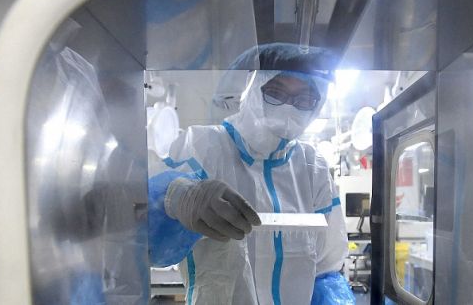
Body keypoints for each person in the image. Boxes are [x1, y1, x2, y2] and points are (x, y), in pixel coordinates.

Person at [148, 43, 354, 305]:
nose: (288, 107)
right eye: (276, 92)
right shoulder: (203, 145)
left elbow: (327, 270)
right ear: (254, 88)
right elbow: (150, 243)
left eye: (304, 99)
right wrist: (177, 198)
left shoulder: (314, 167)